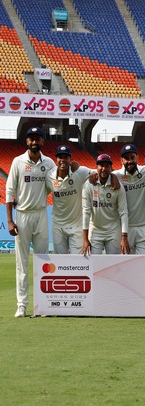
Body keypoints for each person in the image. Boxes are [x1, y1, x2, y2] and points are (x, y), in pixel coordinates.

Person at [6, 127, 56, 318]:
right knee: (22, 263)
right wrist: (10, 221)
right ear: (26, 141)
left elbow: (55, 184)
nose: (35, 142)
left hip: (41, 214)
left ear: (43, 142)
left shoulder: (49, 162)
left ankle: (42, 305)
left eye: (38, 139)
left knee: (43, 261)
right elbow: (10, 192)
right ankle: (22, 305)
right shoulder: (18, 162)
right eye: (31, 139)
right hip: (23, 215)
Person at [45, 145, 92, 254]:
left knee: (78, 261)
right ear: (56, 159)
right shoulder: (49, 176)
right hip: (58, 226)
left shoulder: (79, 172)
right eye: (60, 157)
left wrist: (112, 178)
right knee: (60, 261)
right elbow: (40, 191)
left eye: (65, 157)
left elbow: (98, 173)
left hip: (76, 225)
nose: (62, 160)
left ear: (70, 159)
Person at [82, 154, 129, 255]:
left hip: (113, 231)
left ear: (110, 168)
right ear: (96, 167)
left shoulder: (118, 186)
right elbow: (86, 211)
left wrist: (124, 237)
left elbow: (123, 212)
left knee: (114, 265)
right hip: (95, 230)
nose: (103, 169)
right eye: (101, 165)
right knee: (94, 264)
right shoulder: (89, 184)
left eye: (107, 166)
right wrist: (85, 239)